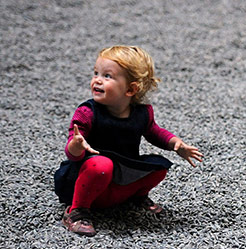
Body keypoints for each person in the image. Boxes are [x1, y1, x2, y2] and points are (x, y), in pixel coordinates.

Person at [54, 45, 203, 236]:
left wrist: (175, 144)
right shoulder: (87, 113)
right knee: (101, 165)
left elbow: (153, 131)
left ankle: (134, 198)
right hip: (84, 180)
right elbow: (72, 154)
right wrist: (76, 146)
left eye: (107, 76)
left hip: (119, 175)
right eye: (96, 73)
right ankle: (76, 211)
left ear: (131, 89)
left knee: (158, 167)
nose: (97, 80)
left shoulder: (142, 112)